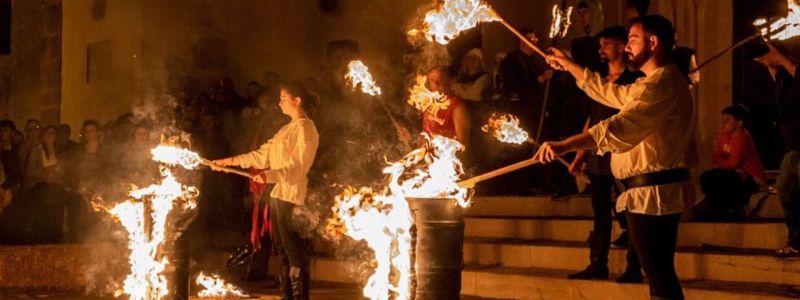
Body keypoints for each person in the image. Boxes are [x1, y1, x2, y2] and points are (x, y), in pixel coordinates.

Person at [539, 15, 696, 299]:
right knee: (659, 275)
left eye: (633, 40)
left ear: (653, 42)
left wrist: (565, 145)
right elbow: (611, 93)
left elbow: (617, 128)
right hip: (649, 193)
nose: (627, 48)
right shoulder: (653, 82)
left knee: (659, 276)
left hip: (653, 195)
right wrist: (570, 65)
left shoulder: (661, 85)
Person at [213, 82, 320, 300]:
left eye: (283, 98)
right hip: (278, 195)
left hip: (292, 196)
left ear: (297, 100)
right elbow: (260, 156)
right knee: (282, 250)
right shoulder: (285, 129)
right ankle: (286, 296)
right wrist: (229, 162)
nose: (279, 102)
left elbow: (298, 167)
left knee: (293, 251)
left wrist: (269, 175)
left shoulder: (305, 128)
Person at [567, 25, 644, 283]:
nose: (601, 49)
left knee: (629, 213)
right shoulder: (600, 82)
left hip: (624, 156)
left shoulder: (634, 82)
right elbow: (592, 120)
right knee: (600, 213)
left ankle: (634, 267)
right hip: (598, 158)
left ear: (622, 46)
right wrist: (579, 154)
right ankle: (597, 264)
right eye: (600, 45)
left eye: (607, 44)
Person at [754, 42, 800, 257]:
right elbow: (781, 105)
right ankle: (797, 241)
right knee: (785, 192)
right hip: (793, 151)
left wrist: (780, 58)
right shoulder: (787, 82)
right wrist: (772, 68)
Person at [692, 105, 766, 220]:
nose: (723, 123)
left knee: (720, 179)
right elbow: (715, 157)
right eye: (723, 120)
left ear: (739, 123)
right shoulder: (724, 136)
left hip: (752, 179)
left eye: (727, 120)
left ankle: (720, 211)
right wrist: (725, 162)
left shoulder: (743, 138)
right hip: (736, 175)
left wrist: (723, 161)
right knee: (707, 177)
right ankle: (716, 210)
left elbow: (733, 163)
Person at [23, 125, 66, 244]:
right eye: (46, 133)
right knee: (46, 194)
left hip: (56, 186)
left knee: (56, 194)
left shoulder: (60, 153)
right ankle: (42, 235)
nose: (49, 136)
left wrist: (56, 176)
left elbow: (64, 171)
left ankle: (55, 235)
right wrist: (45, 174)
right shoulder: (36, 151)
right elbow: (30, 172)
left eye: (52, 133)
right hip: (39, 185)